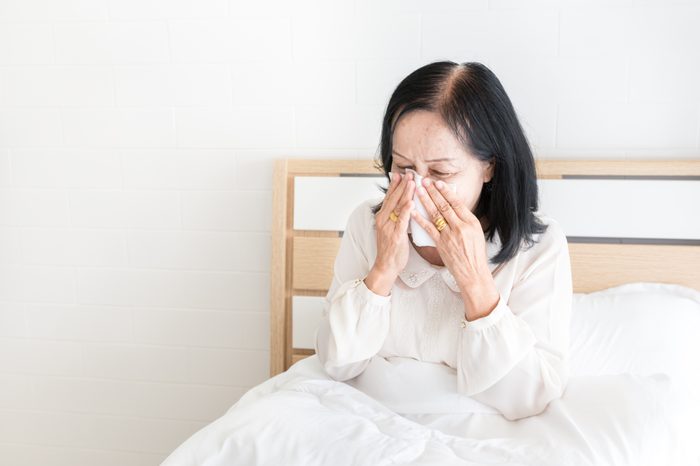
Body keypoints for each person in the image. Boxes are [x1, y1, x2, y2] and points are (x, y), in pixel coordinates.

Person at [314, 61, 573, 421]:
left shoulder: (539, 248)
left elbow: (531, 399)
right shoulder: (368, 225)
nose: (418, 187)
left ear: (489, 167)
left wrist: (474, 281)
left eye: (441, 172)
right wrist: (384, 269)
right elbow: (336, 362)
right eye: (403, 169)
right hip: (366, 419)